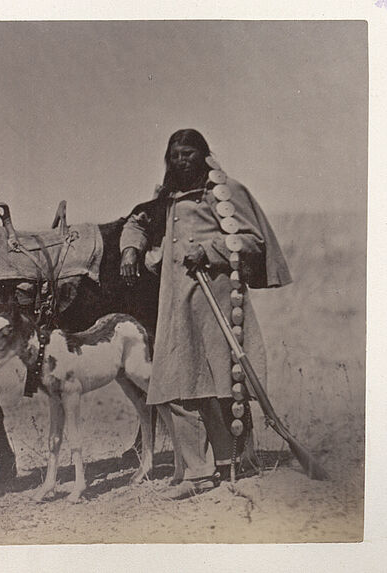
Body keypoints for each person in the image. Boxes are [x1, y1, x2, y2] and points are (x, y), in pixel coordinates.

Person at [120, 129, 292, 496]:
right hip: (176, 305)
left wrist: (210, 250)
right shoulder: (167, 197)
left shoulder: (223, 192)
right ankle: (196, 471)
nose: (182, 160)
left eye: (189, 153)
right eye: (175, 154)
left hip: (215, 300)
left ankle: (234, 462)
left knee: (223, 380)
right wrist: (130, 249)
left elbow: (252, 240)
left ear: (203, 154)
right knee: (177, 379)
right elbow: (137, 221)